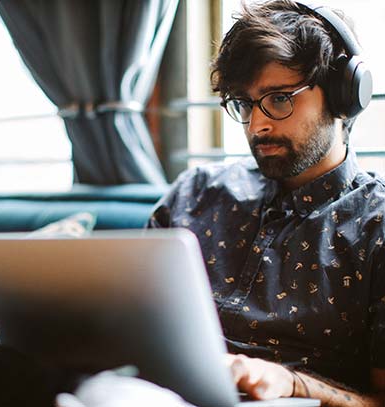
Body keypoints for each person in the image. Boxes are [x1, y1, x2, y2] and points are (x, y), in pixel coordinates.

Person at [147, 0, 385, 405]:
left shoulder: (376, 227)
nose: (258, 125)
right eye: (243, 103)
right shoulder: (196, 192)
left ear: (343, 98)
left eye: (279, 99)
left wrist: (293, 383)